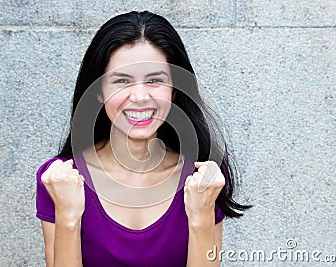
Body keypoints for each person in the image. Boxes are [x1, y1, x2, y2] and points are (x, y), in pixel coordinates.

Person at [35, 11, 251, 267]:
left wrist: (201, 215)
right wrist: (68, 217)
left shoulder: (203, 179)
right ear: (98, 92)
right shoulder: (60, 179)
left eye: (155, 80)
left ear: (174, 90)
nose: (139, 96)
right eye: (122, 80)